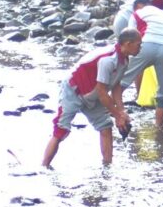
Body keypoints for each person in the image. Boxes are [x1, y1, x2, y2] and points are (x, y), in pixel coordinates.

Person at [43, 28, 143, 168]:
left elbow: (116, 87)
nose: (141, 47)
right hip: (73, 90)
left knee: (105, 126)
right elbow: (103, 93)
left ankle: (107, 167)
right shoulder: (108, 60)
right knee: (61, 129)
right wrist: (117, 116)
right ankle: (44, 167)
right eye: (139, 44)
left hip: (92, 95)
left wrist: (121, 111)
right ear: (128, 43)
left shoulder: (124, 61)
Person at [119, 0, 163, 129]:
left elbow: (130, 36)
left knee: (122, 82)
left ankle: (113, 113)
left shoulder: (136, 14)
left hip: (145, 45)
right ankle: (159, 127)